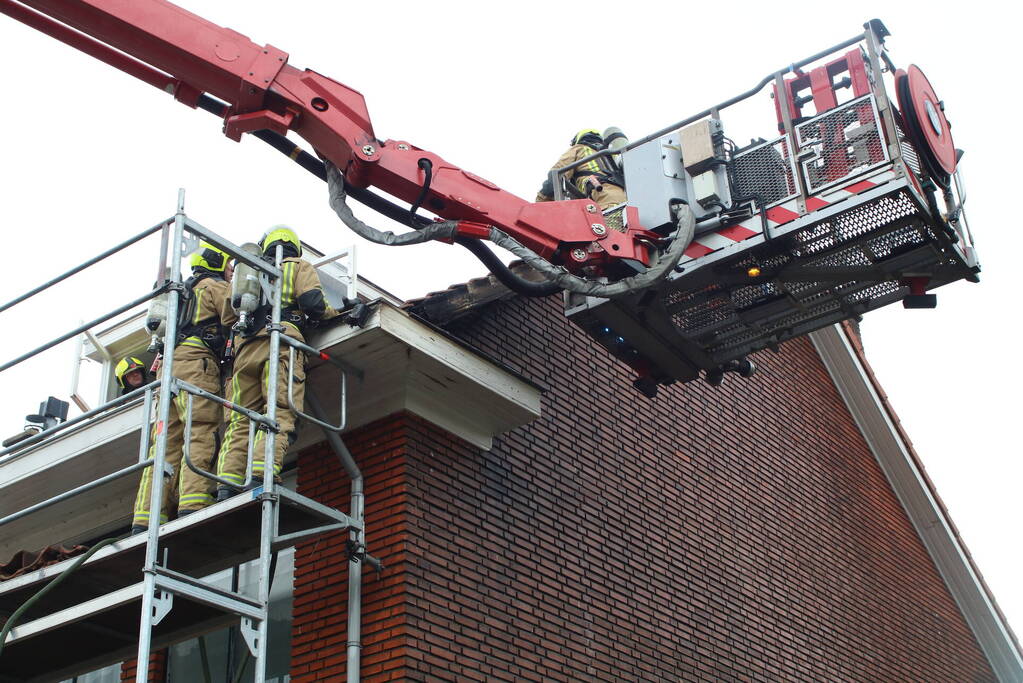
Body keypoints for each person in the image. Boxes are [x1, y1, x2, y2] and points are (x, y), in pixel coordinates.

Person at [215, 226, 333, 499]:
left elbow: (227, 319)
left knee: (241, 420)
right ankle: (261, 472)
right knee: (278, 411)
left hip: (245, 353)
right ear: (295, 246)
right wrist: (341, 311)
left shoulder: (248, 272)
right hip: (280, 346)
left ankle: (226, 484)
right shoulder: (297, 266)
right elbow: (313, 304)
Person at [131, 242, 233, 533]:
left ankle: (146, 517)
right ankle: (193, 502)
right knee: (199, 431)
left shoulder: (178, 293)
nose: (230, 272)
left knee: (164, 445)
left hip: (167, 370)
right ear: (216, 263)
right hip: (196, 365)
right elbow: (234, 316)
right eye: (228, 266)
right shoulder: (212, 286)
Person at [535, 128, 627, 210]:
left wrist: (540, 203)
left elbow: (557, 174)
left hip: (602, 195)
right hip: (628, 198)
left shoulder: (579, 148)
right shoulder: (612, 155)